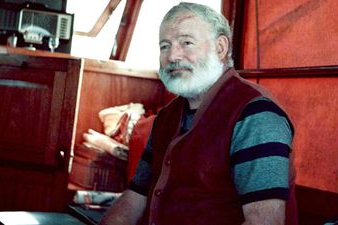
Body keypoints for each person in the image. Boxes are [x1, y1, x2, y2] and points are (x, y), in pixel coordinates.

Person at [99, 2, 297, 225]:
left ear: (220, 48)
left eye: (186, 43)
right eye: (164, 46)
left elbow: (264, 222)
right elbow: (136, 196)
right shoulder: (167, 117)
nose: (173, 55)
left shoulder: (256, 115)